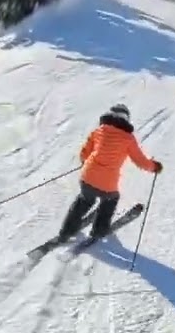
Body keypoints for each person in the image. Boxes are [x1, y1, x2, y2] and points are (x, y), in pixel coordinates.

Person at [57, 103, 163, 241]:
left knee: (84, 200)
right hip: (107, 184)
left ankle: (67, 230)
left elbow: (84, 153)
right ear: (126, 119)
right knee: (110, 200)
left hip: (87, 177)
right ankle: (99, 230)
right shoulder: (128, 138)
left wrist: (85, 162)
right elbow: (140, 161)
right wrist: (154, 167)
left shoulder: (99, 130)